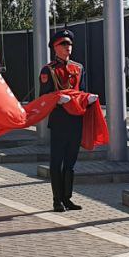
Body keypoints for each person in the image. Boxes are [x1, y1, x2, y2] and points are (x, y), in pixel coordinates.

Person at [40, 29, 89, 213]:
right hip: (60, 120)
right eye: (63, 44)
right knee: (56, 161)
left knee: (70, 162)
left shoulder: (79, 68)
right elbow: (43, 97)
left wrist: (88, 99)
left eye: (69, 44)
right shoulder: (48, 70)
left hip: (75, 120)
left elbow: (82, 91)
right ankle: (56, 200)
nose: (68, 47)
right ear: (55, 47)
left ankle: (67, 198)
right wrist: (57, 99)